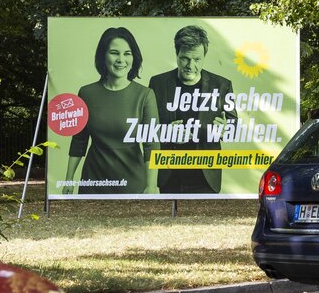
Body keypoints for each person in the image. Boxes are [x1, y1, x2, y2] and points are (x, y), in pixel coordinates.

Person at [63, 27, 159, 194]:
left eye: (127, 53)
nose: (121, 60)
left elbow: (152, 146)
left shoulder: (145, 95)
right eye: (114, 53)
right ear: (103, 56)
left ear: (134, 58)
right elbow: (79, 140)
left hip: (133, 183)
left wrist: (151, 186)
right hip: (93, 182)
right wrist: (68, 180)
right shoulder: (86, 93)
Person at [149, 25, 238, 193]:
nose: (190, 65)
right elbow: (147, 126)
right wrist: (168, 132)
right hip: (170, 172)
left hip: (206, 175)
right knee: (171, 220)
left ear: (204, 56)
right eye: (185, 58)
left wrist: (226, 130)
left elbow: (233, 125)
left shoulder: (222, 85)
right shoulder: (157, 83)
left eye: (197, 59)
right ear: (176, 55)